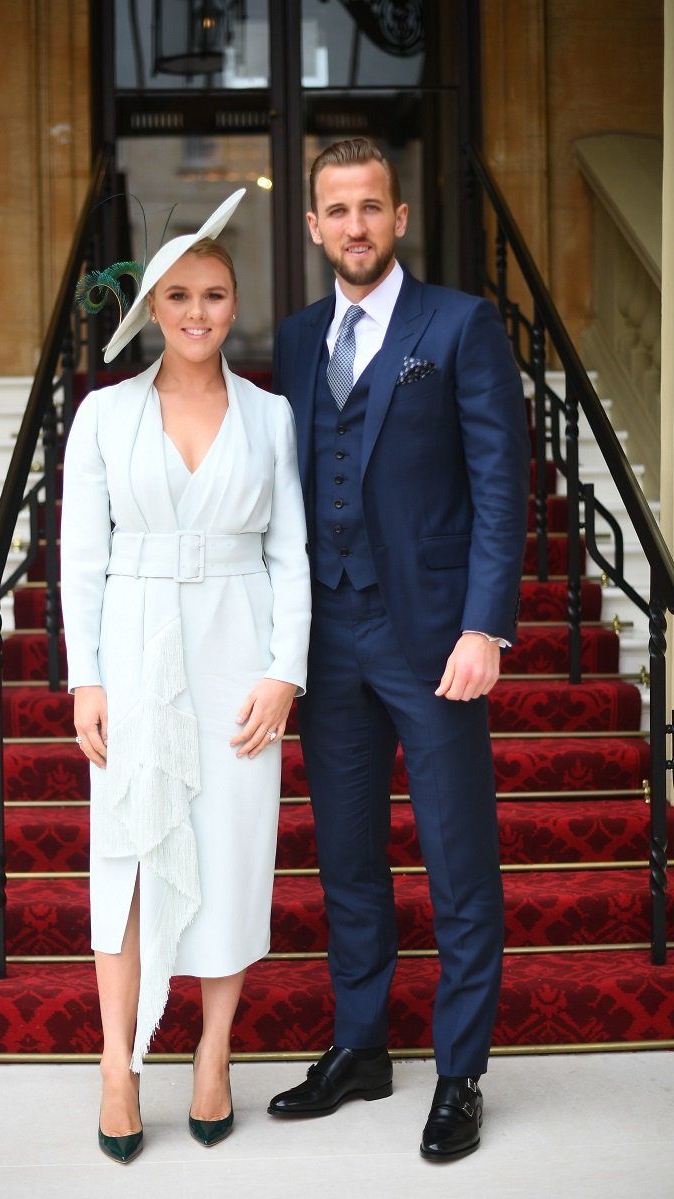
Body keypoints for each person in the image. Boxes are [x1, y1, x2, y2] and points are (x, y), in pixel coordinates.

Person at [266, 138, 530, 1161]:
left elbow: (498, 484)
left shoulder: (457, 324)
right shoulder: (292, 340)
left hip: (430, 636)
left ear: (400, 216)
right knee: (346, 858)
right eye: (337, 210)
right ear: (313, 224)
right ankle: (361, 1044)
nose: (355, 226)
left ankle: (458, 1072)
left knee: (458, 858)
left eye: (371, 206)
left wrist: (484, 624)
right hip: (326, 635)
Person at [61, 189, 311, 1164]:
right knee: (125, 856)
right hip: (132, 651)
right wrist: (87, 679)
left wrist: (284, 670)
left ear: (231, 300)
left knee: (231, 852)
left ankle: (213, 1050)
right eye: (178, 295)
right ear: (152, 310)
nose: (198, 311)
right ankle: (117, 1061)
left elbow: (289, 554)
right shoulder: (101, 415)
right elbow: (81, 559)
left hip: (237, 657)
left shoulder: (273, 415)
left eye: (213, 293)